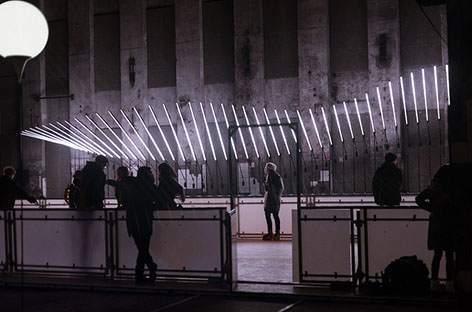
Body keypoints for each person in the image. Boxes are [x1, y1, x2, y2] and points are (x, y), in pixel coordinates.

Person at [416, 175, 455, 293]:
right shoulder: (452, 189)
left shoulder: (434, 188)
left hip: (437, 225)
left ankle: (434, 282)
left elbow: (419, 199)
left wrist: (432, 208)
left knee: (437, 255)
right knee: (449, 256)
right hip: (450, 225)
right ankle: (450, 283)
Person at [128, 166, 159, 282]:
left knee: (142, 248)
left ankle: (141, 273)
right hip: (145, 221)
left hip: (133, 221)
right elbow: (158, 199)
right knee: (143, 248)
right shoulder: (150, 187)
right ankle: (147, 269)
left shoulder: (133, 186)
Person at [263, 162, 284, 241]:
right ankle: (277, 234)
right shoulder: (277, 176)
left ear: (268, 168)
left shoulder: (270, 176)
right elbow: (281, 188)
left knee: (268, 216)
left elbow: (268, 188)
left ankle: (270, 233)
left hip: (270, 199)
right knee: (276, 216)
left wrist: (266, 186)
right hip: (276, 199)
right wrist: (277, 195)